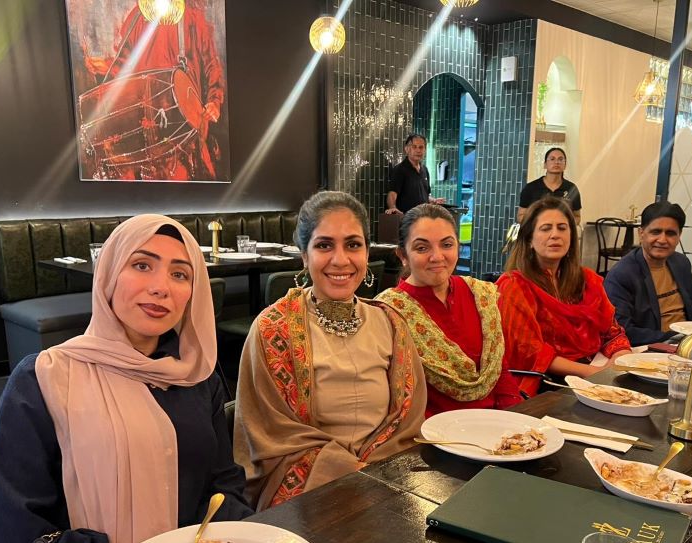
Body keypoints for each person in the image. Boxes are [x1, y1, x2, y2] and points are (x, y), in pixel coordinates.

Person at [0, 215, 253, 543]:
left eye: (181, 274)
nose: (161, 287)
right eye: (141, 265)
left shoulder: (197, 378)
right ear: (108, 274)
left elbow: (222, 484)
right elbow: (13, 537)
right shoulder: (45, 379)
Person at [234, 191, 427, 511]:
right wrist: (347, 473)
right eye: (324, 245)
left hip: (387, 480)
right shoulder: (272, 329)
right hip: (306, 489)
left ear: (367, 252)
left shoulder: (391, 323)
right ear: (304, 255)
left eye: (353, 244)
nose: (340, 260)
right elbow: (271, 435)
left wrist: (373, 477)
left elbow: (406, 421)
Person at [377, 204, 522, 416]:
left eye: (446, 244)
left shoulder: (479, 295)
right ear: (403, 255)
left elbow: (499, 373)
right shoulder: (389, 311)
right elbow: (397, 398)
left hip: (495, 426)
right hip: (429, 436)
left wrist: (516, 422)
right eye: (422, 248)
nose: (437, 257)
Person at [497, 196, 632, 395]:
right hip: (544, 383)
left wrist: (620, 359)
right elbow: (531, 353)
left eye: (562, 228)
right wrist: (594, 373)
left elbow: (612, 333)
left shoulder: (587, 280)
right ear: (529, 241)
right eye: (545, 228)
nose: (555, 235)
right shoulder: (514, 285)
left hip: (594, 375)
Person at [80, 0, 225, 180]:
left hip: (186, 126)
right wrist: (104, 68)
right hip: (145, 124)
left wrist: (214, 101)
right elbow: (123, 65)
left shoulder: (194, 18)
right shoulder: (136, 17)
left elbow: (212, 65)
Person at [604, 201, 692, 345]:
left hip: (690, 344)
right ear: (641, 233)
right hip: (652, 349)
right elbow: (623, 330)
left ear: (679, 236)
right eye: (656, 232)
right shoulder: (622, 275)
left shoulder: (681, 263)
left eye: (670, 233)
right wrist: (677, 338)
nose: (662, 240)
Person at [517, 147, 582, 225]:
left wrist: (565, 225)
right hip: (537, 234)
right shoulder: (531, 188)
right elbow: (521, 216)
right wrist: (537, 225)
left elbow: (577, 216)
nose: (556, 162)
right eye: (552, 159)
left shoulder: (572, 188)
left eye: (560, 159)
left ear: (565, 165)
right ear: (545, 164)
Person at [385, 134, 445, 215]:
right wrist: (393, 208)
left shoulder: (425, 170)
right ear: (407, 149)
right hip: (407, 219)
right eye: (414, 147)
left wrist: (434, 201)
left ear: (425, 150)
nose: (418, 150)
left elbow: (425, 195)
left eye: (421, 147)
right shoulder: (400, 169)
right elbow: (392, 193)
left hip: (423, 218)